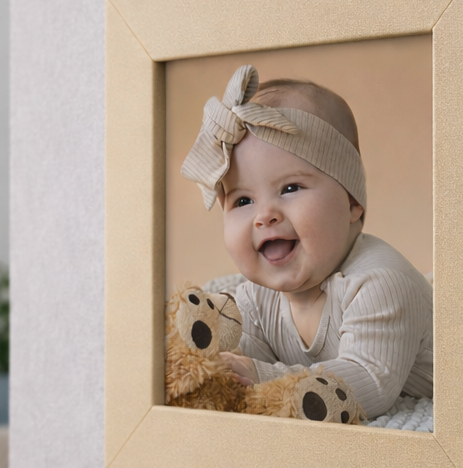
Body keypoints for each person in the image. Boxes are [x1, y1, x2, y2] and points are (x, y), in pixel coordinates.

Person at [180, 64, 432, 420]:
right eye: (242, 200)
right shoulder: (255, 298)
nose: (263, 215)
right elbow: (241, 361)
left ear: (352, 203)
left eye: (290, 188)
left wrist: (260, 377)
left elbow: (369, 385)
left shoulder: (381, 283)